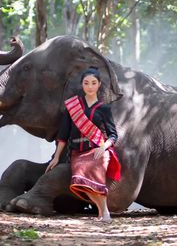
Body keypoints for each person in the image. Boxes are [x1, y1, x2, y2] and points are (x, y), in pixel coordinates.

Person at [46, 66, 121, 222]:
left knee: (95, 177)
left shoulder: (104, 108)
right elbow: (63, 134)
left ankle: (103, 214)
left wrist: (104, 147)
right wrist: (56, 157)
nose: (90, 86)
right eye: (86, 83)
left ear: (99, 84)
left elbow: (113, 135)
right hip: (78, 153)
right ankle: (104, 211)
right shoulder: (72, 106)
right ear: (82, 85)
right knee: (80, 179)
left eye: (94, 83)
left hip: (98, 150)